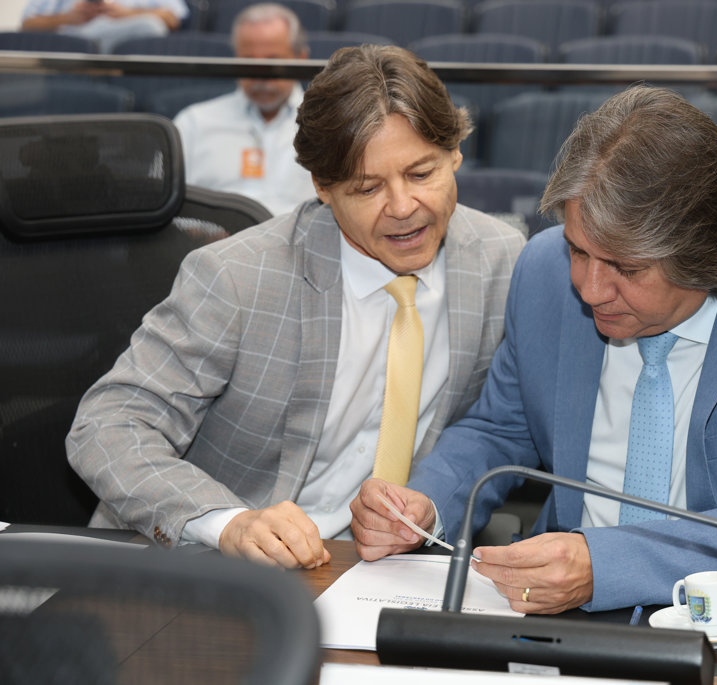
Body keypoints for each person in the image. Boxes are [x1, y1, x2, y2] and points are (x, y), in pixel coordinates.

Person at [350, 85, 717, 613]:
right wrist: (424, 505)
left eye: (626, 268)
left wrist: (605, 565)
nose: (589, 290)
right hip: (562, 608)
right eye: (578, 251)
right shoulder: (543, 272)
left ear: (704, 253)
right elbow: (502, 429)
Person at [66, 45, 525, 569]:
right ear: (323, 187)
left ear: (456, 154)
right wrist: (226, 522)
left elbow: (498, 431)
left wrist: (432, 506)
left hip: (378, 569)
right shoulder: (238, 278)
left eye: (422, 174)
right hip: (212, 566)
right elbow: (107, 425)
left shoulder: (502, 262)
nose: (403, 208)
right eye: (368, 188)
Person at [173, 3, 315, 216]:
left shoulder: (329, 123)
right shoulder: (193, 122)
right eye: (249, 62)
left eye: (272, 61)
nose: (260, 75)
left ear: (301, 59)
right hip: (214, 235)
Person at [21, 0, 188, 53]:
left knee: (149, 25)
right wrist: (68, 18)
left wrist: (127, 13)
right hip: (73, 45)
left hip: (129, 48)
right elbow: (27, 25)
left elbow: (174, 19)